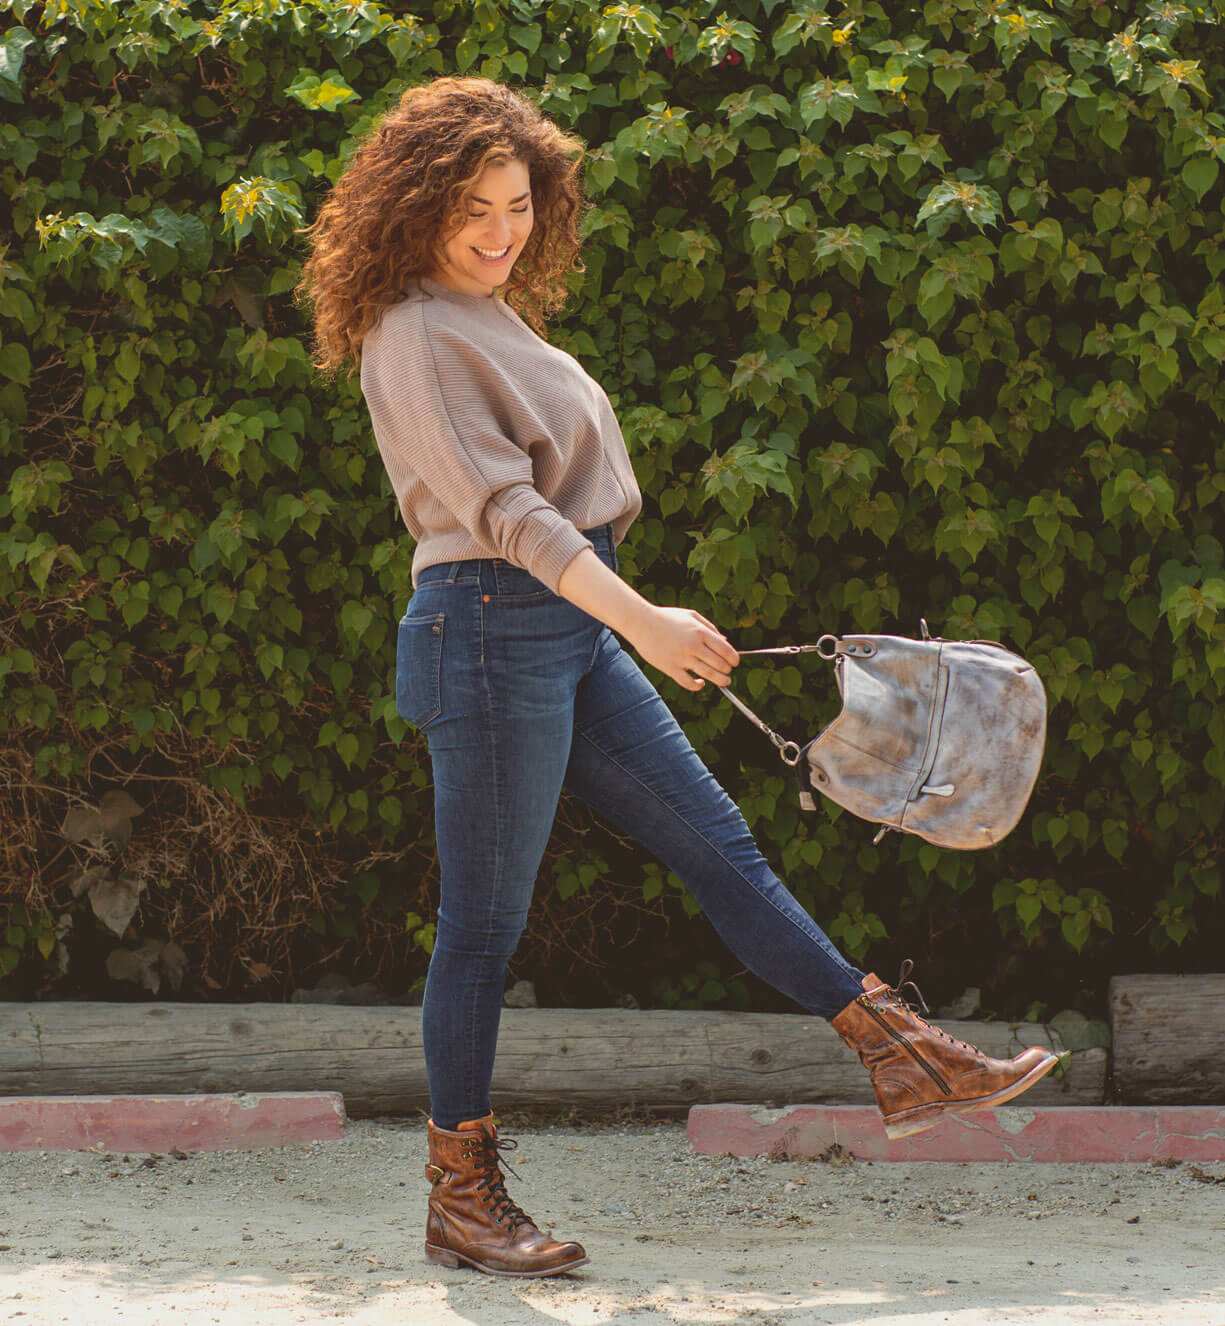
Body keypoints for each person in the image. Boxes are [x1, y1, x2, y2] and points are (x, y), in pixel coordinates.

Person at [295, 75, 1058, 1280]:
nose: (502, 231)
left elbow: (561, 521)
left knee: (723, 851)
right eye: (473, 211)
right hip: (492, 628)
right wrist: (645, 621)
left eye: (518, 204)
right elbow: (506, 516)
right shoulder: (412, 333)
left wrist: (623, 619)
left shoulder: (488, 315)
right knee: (483, 934)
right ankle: (460, 1196)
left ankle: (901, 1055)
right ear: (413, 210)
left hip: (566, 622)